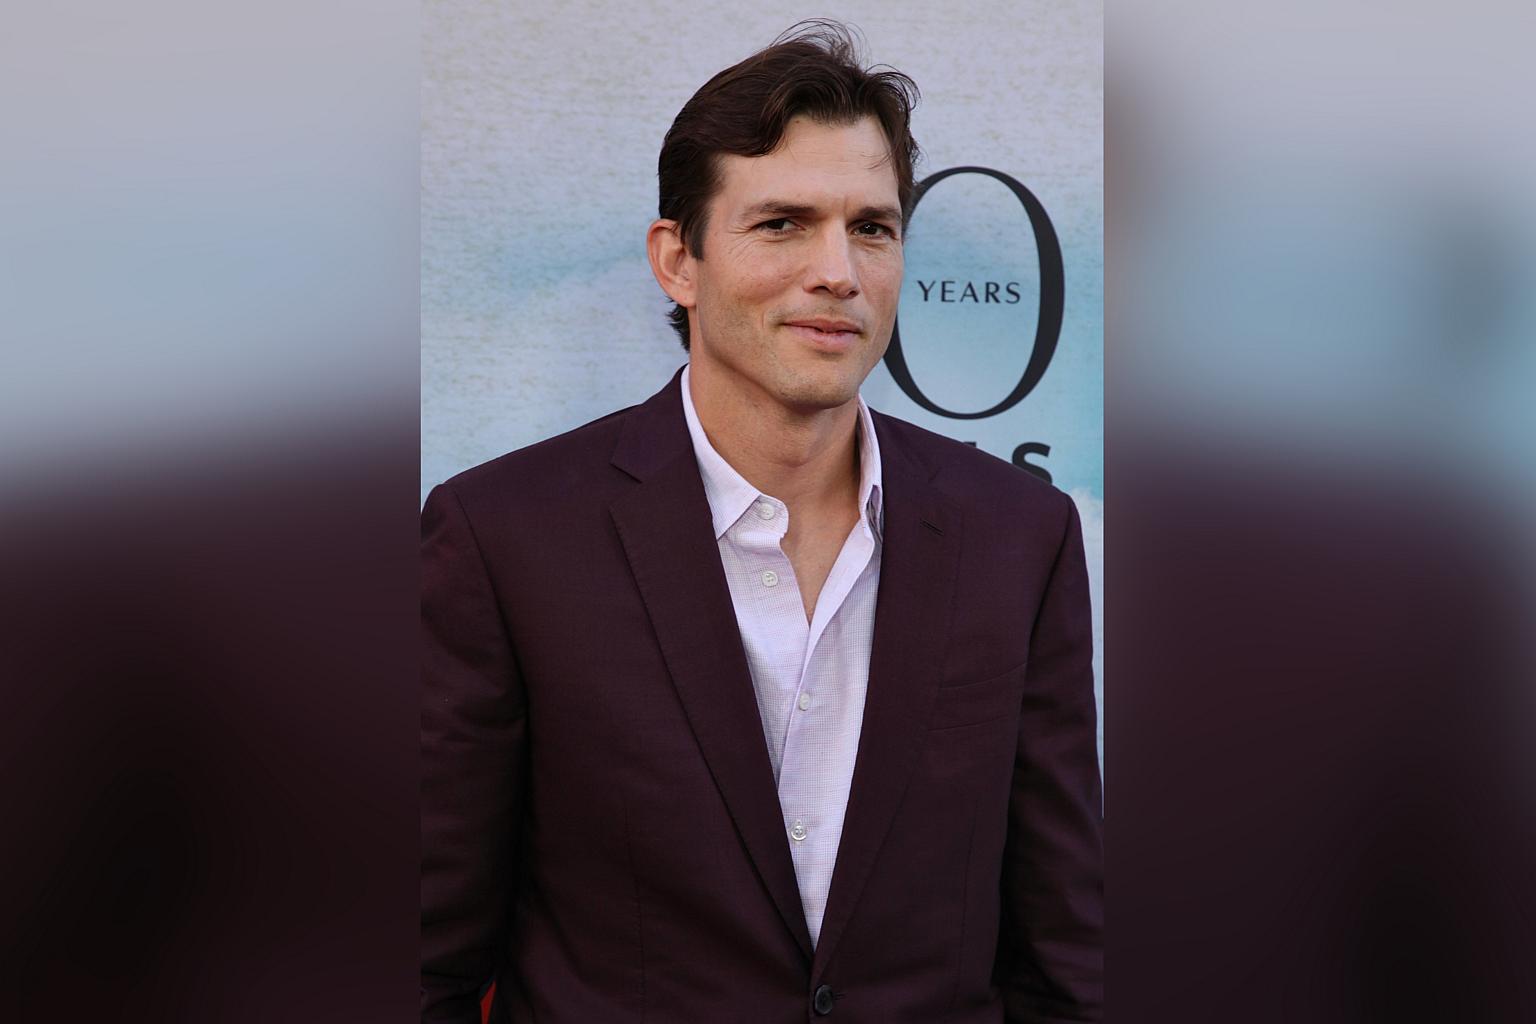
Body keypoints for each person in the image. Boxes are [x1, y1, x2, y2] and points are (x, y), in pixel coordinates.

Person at [421, 21, 1102, 1023]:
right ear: (678, 261)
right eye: (783, 223)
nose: (839, 271)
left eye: (872, 228)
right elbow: (426, 955)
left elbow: (1063, 957)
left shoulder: (1019, 538)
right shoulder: (505, 539)